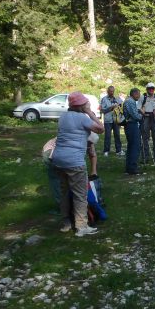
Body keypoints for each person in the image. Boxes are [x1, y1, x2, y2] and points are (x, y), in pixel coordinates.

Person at [52, 91, 104, 237]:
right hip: (74, 161)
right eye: (85, 104)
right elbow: (100, 129)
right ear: (81, 105)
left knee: (64, 193)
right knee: (80, 195)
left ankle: (66, 223)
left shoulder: (63, 117)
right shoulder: (82, 118)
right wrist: (89, 112)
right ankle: (81, 227)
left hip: (58, 159)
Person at [139, 83, 155, 162]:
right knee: (144, 137)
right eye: (149, 88)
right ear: (146, 89)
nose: (151, 90)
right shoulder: (143, 97)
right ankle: (145, 157)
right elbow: (138, 107)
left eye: (152, 88)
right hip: (145, 117)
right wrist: (143, 112)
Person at [123, 88, 143, 175]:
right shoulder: (130, 102)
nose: (139, 96)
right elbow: (135, 116)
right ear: (134, 94)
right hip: (132, 125)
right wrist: (141, 114)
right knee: (135, 145)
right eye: (138, 94)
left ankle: (129, 166)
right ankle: (133, 167)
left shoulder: (128, 101)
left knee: (131, 146)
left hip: (129, 125)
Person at [100, 86, 124, 157]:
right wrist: (111, 108)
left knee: (117, 135)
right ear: (107, 91)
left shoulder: (117, 98)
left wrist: (119, 106)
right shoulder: (104, 99)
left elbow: (123, 106)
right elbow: (103, 111)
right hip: (108, 120)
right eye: (110, 91)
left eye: (113, 91)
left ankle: (118, 150)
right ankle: (106, 151)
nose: (112, 92)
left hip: (116, 120)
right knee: (107, 136)